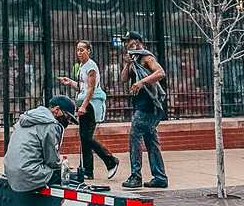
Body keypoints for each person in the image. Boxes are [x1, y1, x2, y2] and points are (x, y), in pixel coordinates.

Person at [58, 37, 119, 183]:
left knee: (86, 137)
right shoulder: (82, 66)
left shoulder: (91, 66)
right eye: (78, 49)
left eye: (82, 49)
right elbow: (83, 87)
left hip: (91, 105)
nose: (79, 52)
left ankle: (110, 160)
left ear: (89, 51)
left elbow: (91, 89)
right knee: (84, 138)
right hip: (85, 102)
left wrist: (84, 106)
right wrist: (70, 82)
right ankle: (87, 171)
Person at [119, 31, 169, 189]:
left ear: (137, 42)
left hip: (148, 104)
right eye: (125, 42)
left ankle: (135, 176)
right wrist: (127, 63)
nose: (126, 44)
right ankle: (160, 177)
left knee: (134, 135)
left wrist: (141, 82)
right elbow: (123, 79)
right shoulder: (133, 59)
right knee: (151, 141)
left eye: (129, 41)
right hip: (140, 103)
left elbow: (160, 73)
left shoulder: (146, 57)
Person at [3, 95, 76, 192]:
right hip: (29, 174)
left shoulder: (27, 118)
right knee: (70, 177)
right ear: (57, 110)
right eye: (67, 116)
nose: (68, 121)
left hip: (10, 171)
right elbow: (52, 160)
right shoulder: (51, 125)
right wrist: (63, 168)